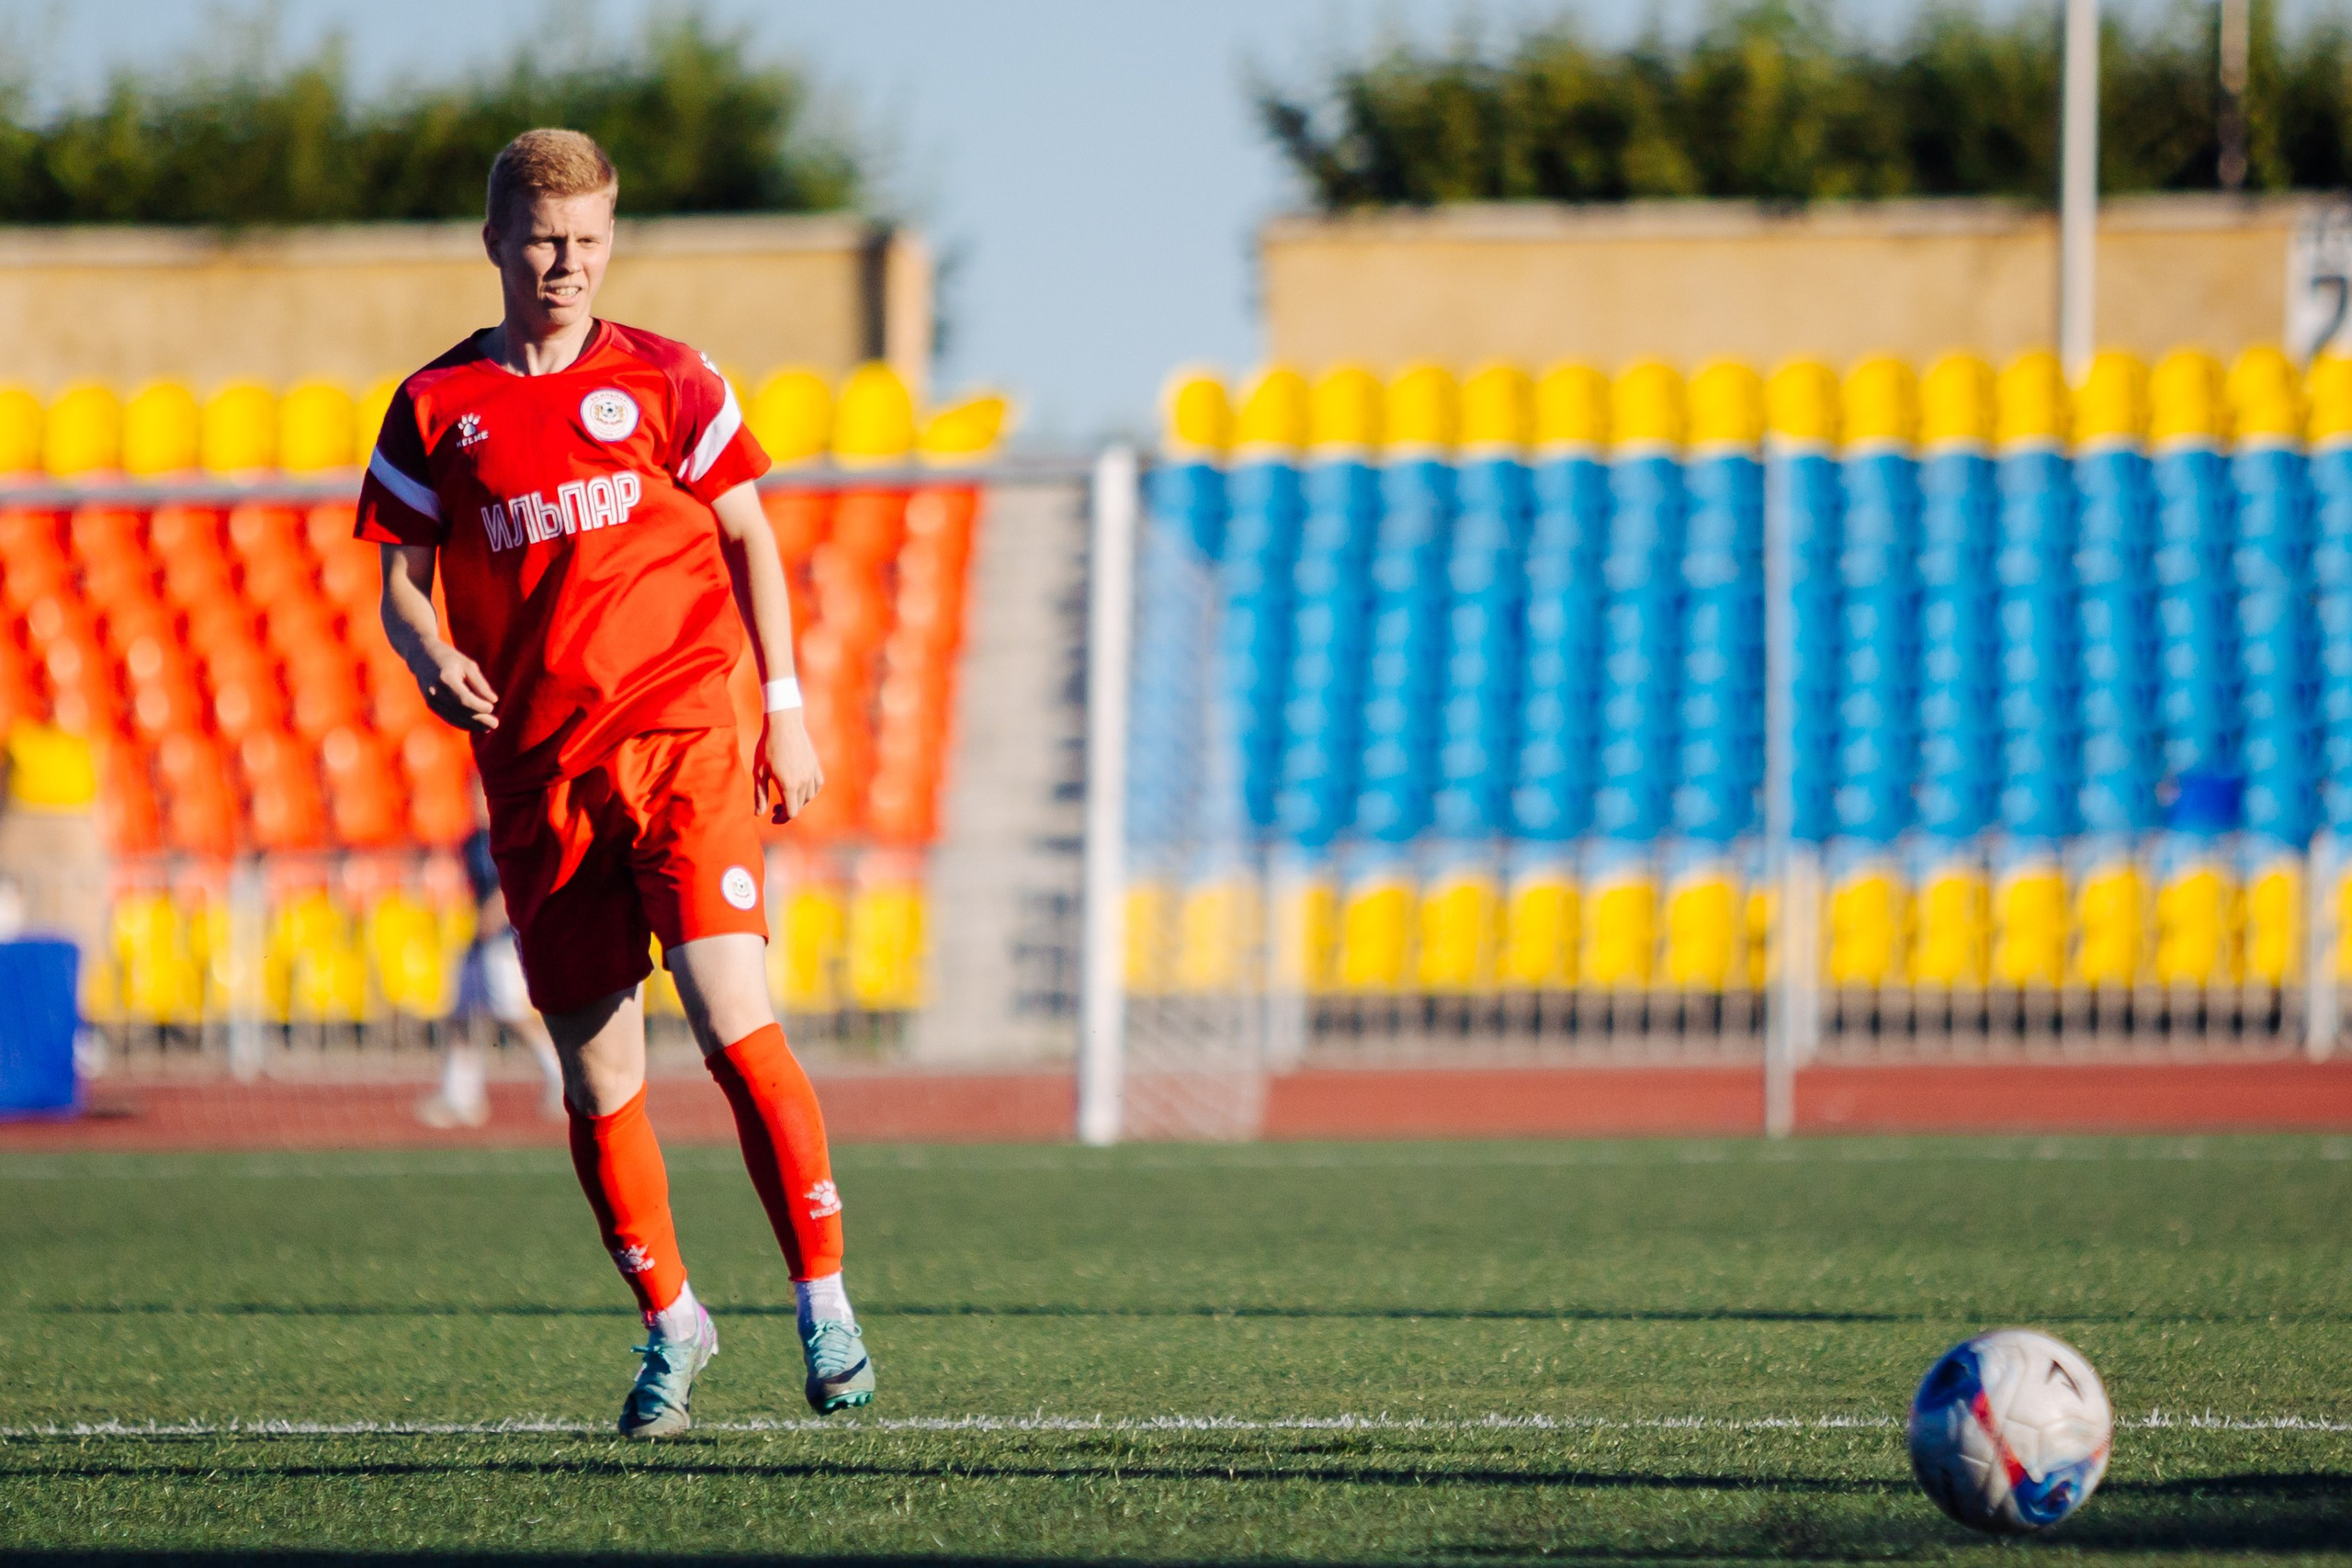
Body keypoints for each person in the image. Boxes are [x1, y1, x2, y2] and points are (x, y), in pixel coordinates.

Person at [358, 128, 872, 1437]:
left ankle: (824, 1297)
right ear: (494, 242)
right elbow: (399, 582)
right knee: (597, 1081)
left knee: (733, 1019)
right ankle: (673, 1321)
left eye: (587, 239)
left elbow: (750, 534)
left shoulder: (669, 378)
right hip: (540, 772)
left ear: (611, 239)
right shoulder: (434, 406)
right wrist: (427, 653)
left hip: (687, 738)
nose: (566, 263)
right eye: (542, 239)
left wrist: (787, 713)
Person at [415, 825, 567, 1130]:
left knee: (515, 1016)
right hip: (485, 941)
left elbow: (511, 888)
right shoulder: (473, 840)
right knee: (462, 1016)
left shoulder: (515, 833)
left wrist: (490, 923)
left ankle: (564, 1081)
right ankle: (461, 1096)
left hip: (506, 940)